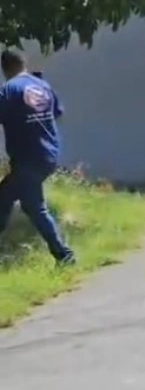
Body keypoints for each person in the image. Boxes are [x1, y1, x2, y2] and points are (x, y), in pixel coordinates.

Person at [0, 49, 75, 265]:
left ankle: (64, 255)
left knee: (34, 206)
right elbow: (57, 113)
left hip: (27, 158)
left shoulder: (8, 90)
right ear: (23, 63)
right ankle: (63, 255)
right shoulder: (42, 85)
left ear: (4, 69)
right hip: (48, 154)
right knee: (9, 200)